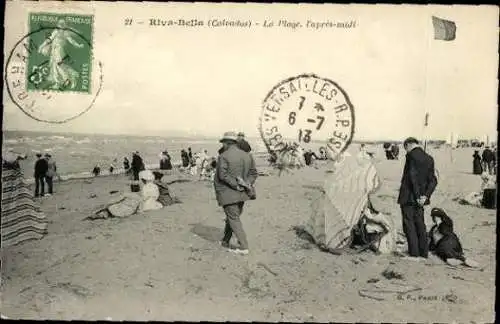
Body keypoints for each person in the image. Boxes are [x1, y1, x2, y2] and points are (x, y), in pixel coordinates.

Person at [214, 131, 258, 255]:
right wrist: (246, 183)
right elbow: (254, 173)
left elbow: (222, 175)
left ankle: (244, 247)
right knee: (232, 216)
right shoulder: (247, 155)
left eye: (223, 143)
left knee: (233, 218)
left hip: (228, 193)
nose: (222, 145)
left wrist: (236, 184)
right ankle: (225, 240)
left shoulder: (224, 156)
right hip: (243, 193)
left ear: (227, 143)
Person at [397, 137, 438, 260]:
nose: (406, 151)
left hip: (409, 196)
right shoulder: (429, 158)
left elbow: (412, 176)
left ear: (408, 145)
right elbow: (433, 180)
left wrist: (417, 196)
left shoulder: (411, 156)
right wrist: (425, 196)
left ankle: (414, 253)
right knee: (420, 224)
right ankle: (423, 252)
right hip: (421, 198)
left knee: (409, 224)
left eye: (406, 148)